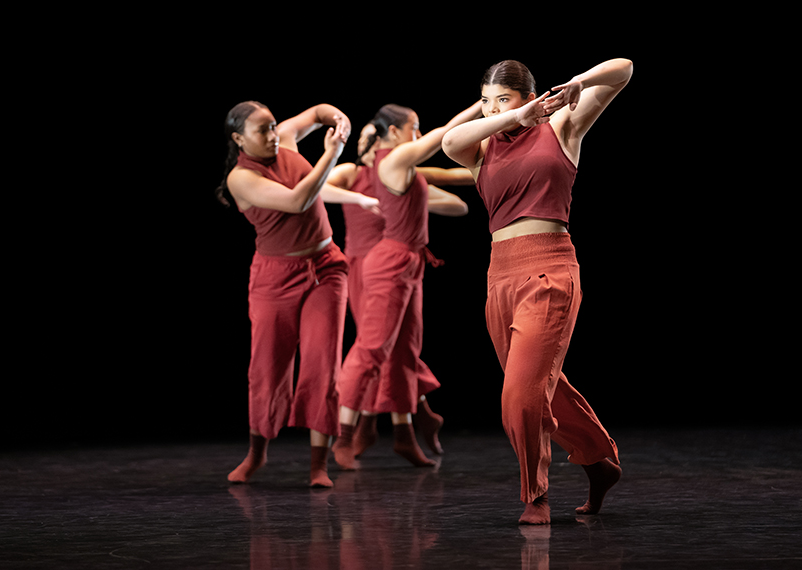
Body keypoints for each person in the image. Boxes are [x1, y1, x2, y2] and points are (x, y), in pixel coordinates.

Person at [441, 58, 633, 524]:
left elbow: (623, 69)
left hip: (550, 269)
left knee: (521, 395)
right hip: (500, 276)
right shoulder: (480, 147)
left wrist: (578, 84)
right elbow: (448, 140)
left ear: (530, 97)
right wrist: (506, 115)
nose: (490, 111)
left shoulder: (563, 128)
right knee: (539, 385)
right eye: (484, 102)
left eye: (501, 99)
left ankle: (536, 496)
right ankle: (598, 460)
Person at [215, 101, 377, 488]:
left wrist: (339, 120)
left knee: (323, 365)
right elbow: (297, 200)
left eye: (273, 126)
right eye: (262, 131)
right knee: (267, 369)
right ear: (239, 139)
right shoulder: (241, 178)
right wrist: (332, 153)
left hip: (325, 268)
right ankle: (256, 454)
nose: (273, 135)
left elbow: (320, 112)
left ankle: (318, 465)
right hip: (276, 277)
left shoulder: (284, 138)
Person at [333, 101, 482, 470]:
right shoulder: (393, 160)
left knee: (403, 353)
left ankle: (404, 436)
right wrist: (481, 109)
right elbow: (441, 135)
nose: (417, 132)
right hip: (389, 262)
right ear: (394, 132)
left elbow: (456, 176)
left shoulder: (407, 163)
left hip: (410, 262)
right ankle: (344, 436)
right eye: (412, 127)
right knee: (370, 349)